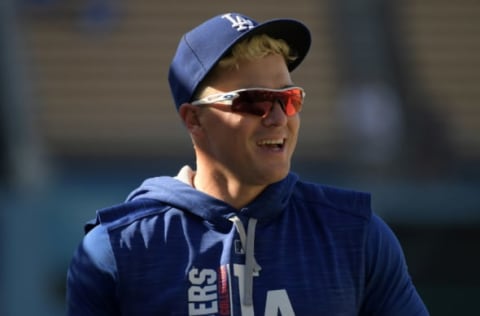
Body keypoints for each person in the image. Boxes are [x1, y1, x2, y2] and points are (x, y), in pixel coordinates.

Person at [66, 12, 429, 315]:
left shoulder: (357, 235)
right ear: (193, 119)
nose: (277, 118)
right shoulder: (118, 248)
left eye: (288, 99)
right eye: (254, 101)